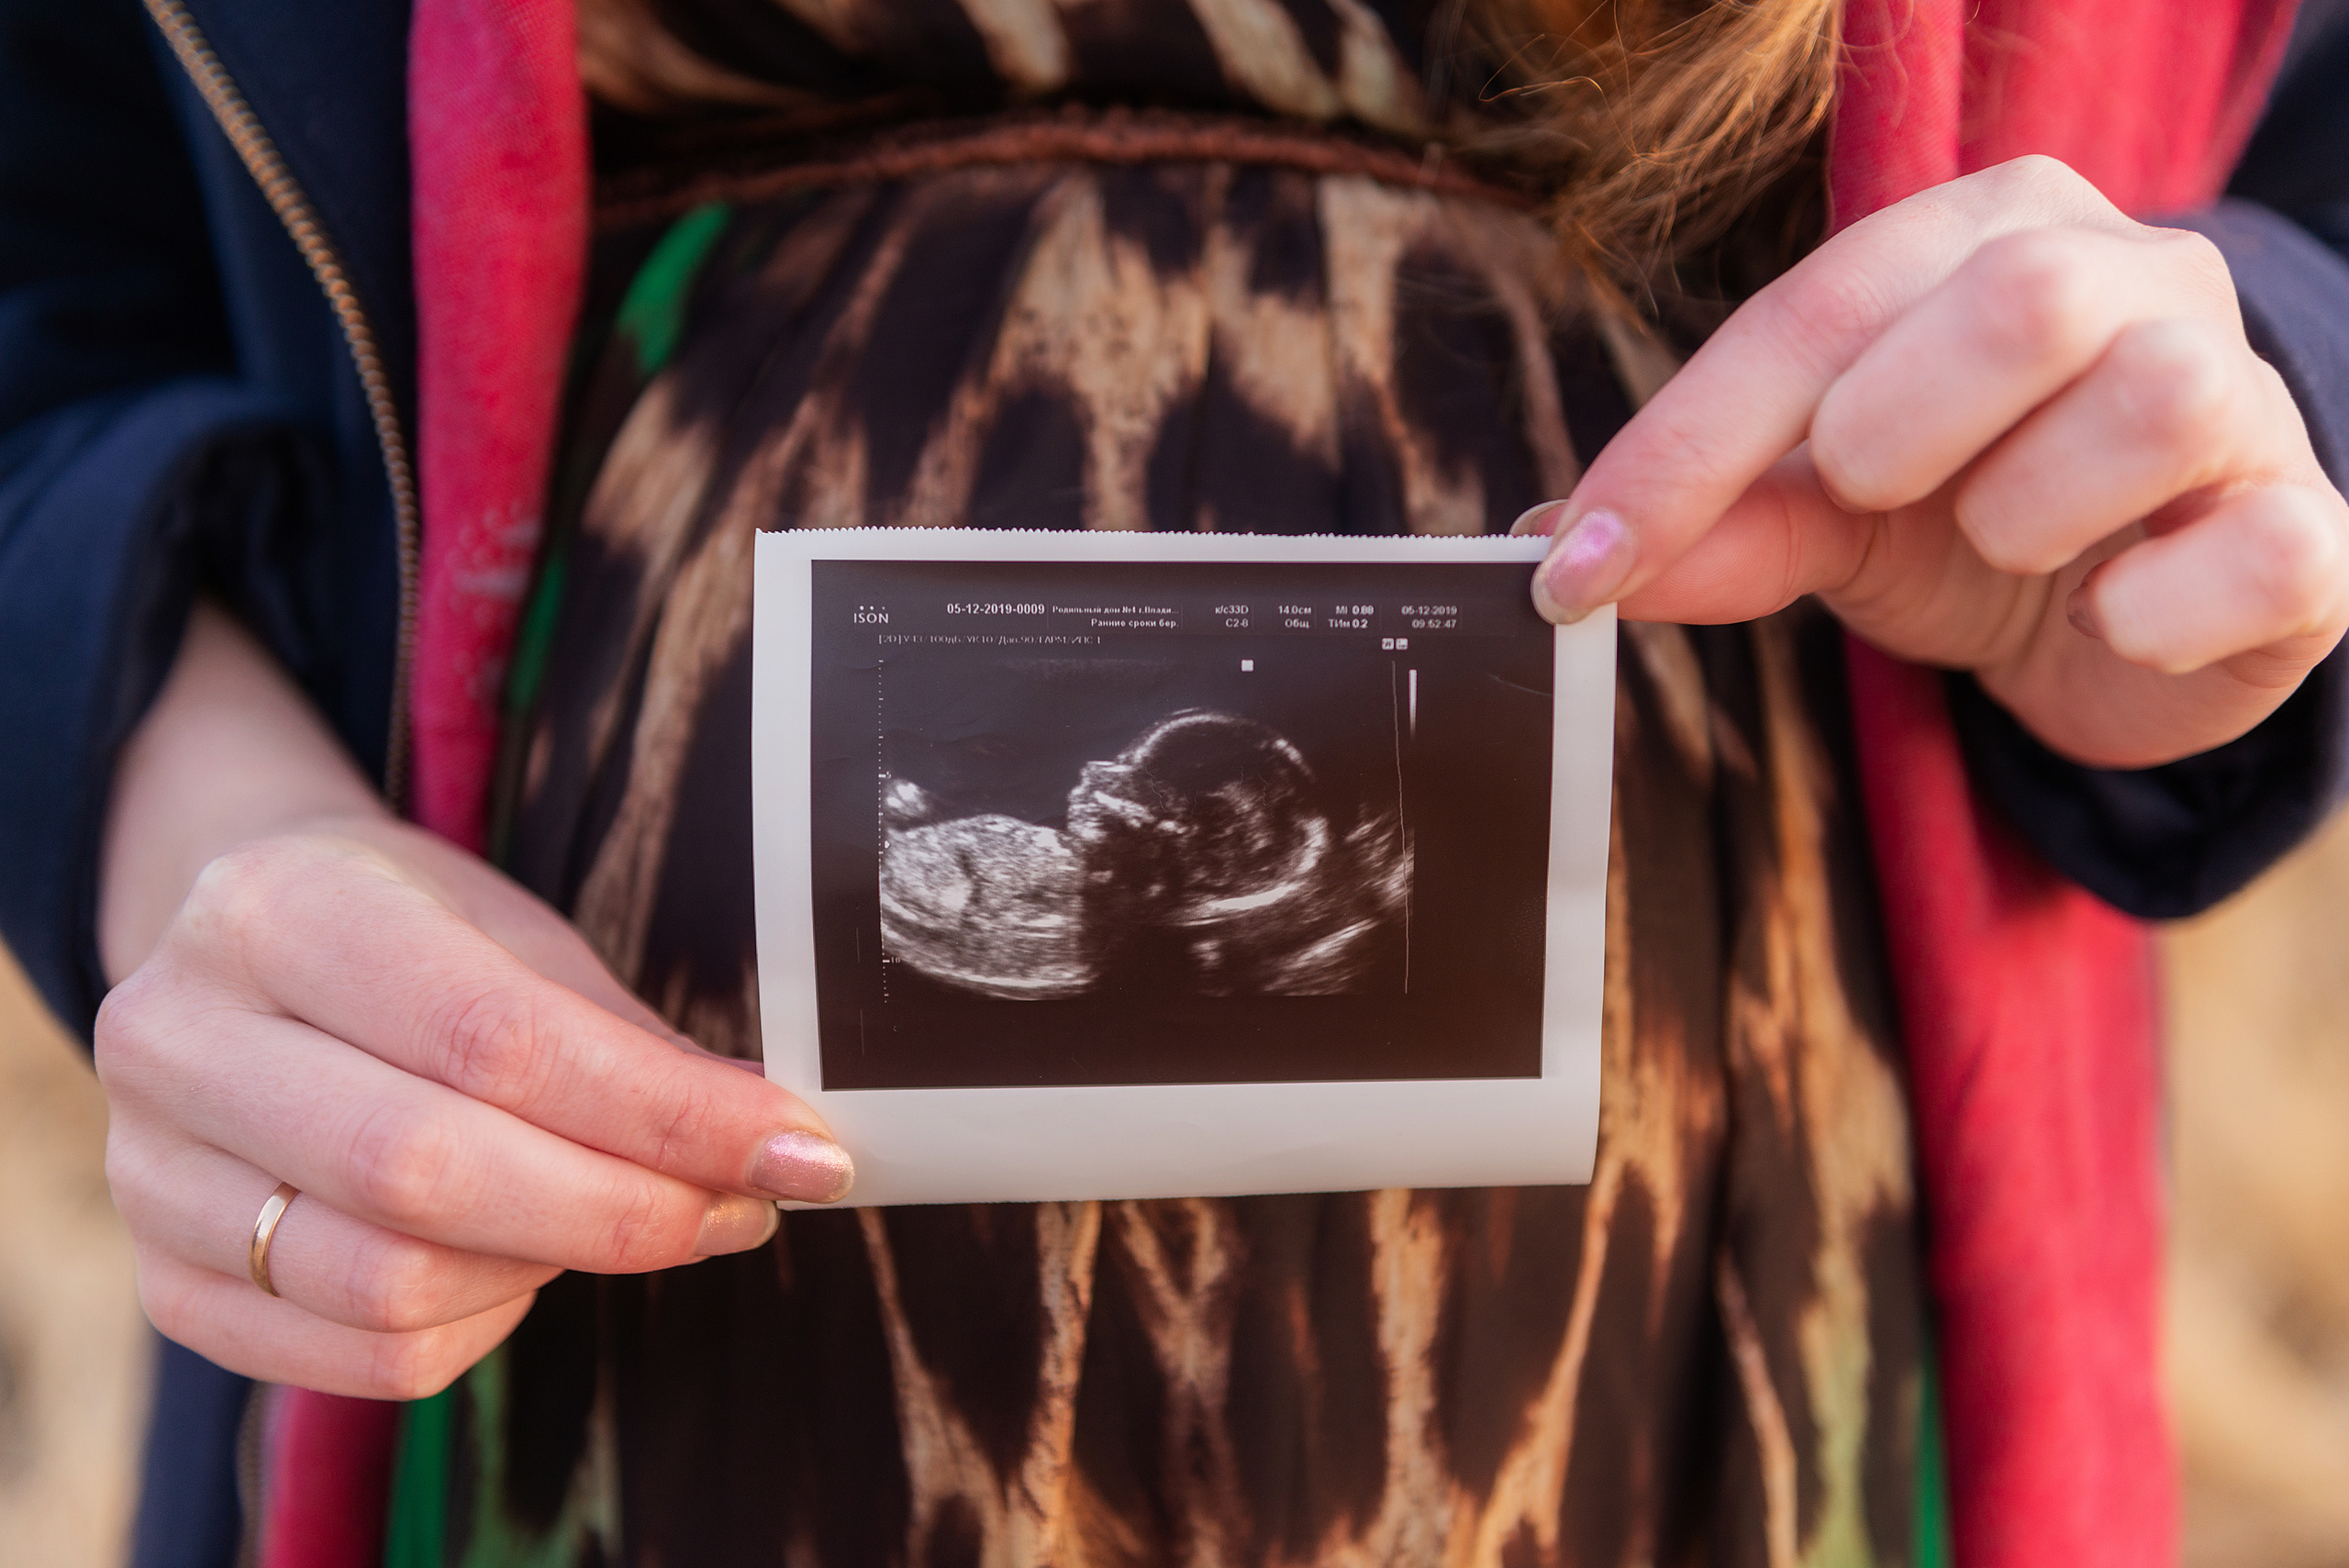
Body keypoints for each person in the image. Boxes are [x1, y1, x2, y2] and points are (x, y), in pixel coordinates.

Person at [3, 0, 2346, 1563]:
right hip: (598, 1367)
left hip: (1717, 1338)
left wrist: (2224, 431)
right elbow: (48, 268)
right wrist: (189, 805)